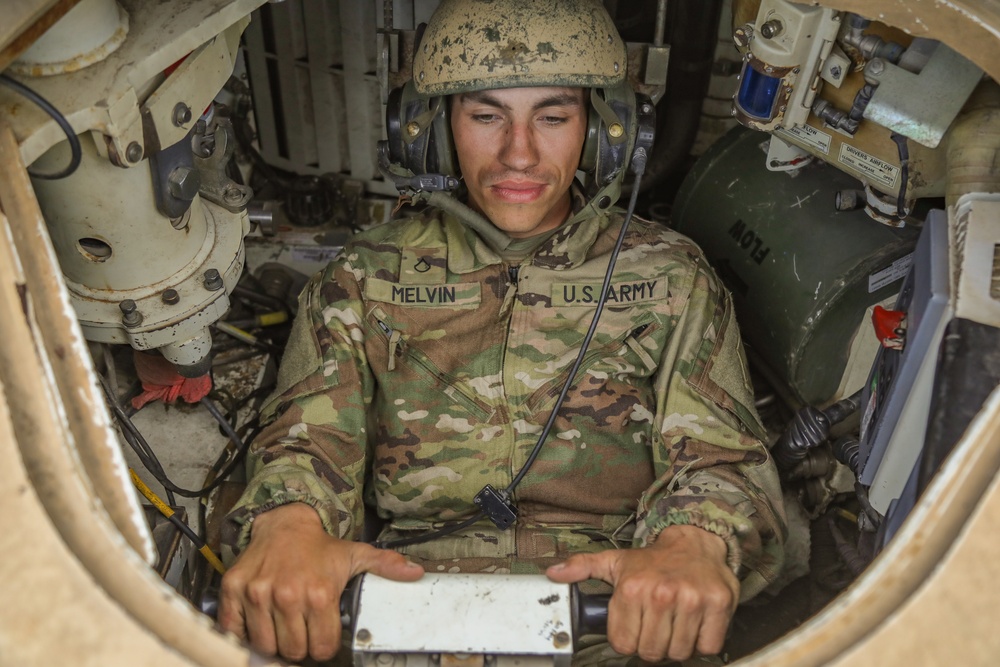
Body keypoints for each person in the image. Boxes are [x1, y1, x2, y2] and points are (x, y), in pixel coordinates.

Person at [218, 1, 786, 664]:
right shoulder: (364, 278)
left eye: (553, 116)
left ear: (607, 131)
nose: (519, 152)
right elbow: (306, 444)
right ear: (429, 131)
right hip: (404, 608)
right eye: (486, 116)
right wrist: (289, 527)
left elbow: (720, 459)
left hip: (618, 611)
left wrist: (693, 543)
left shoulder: (670, 277)